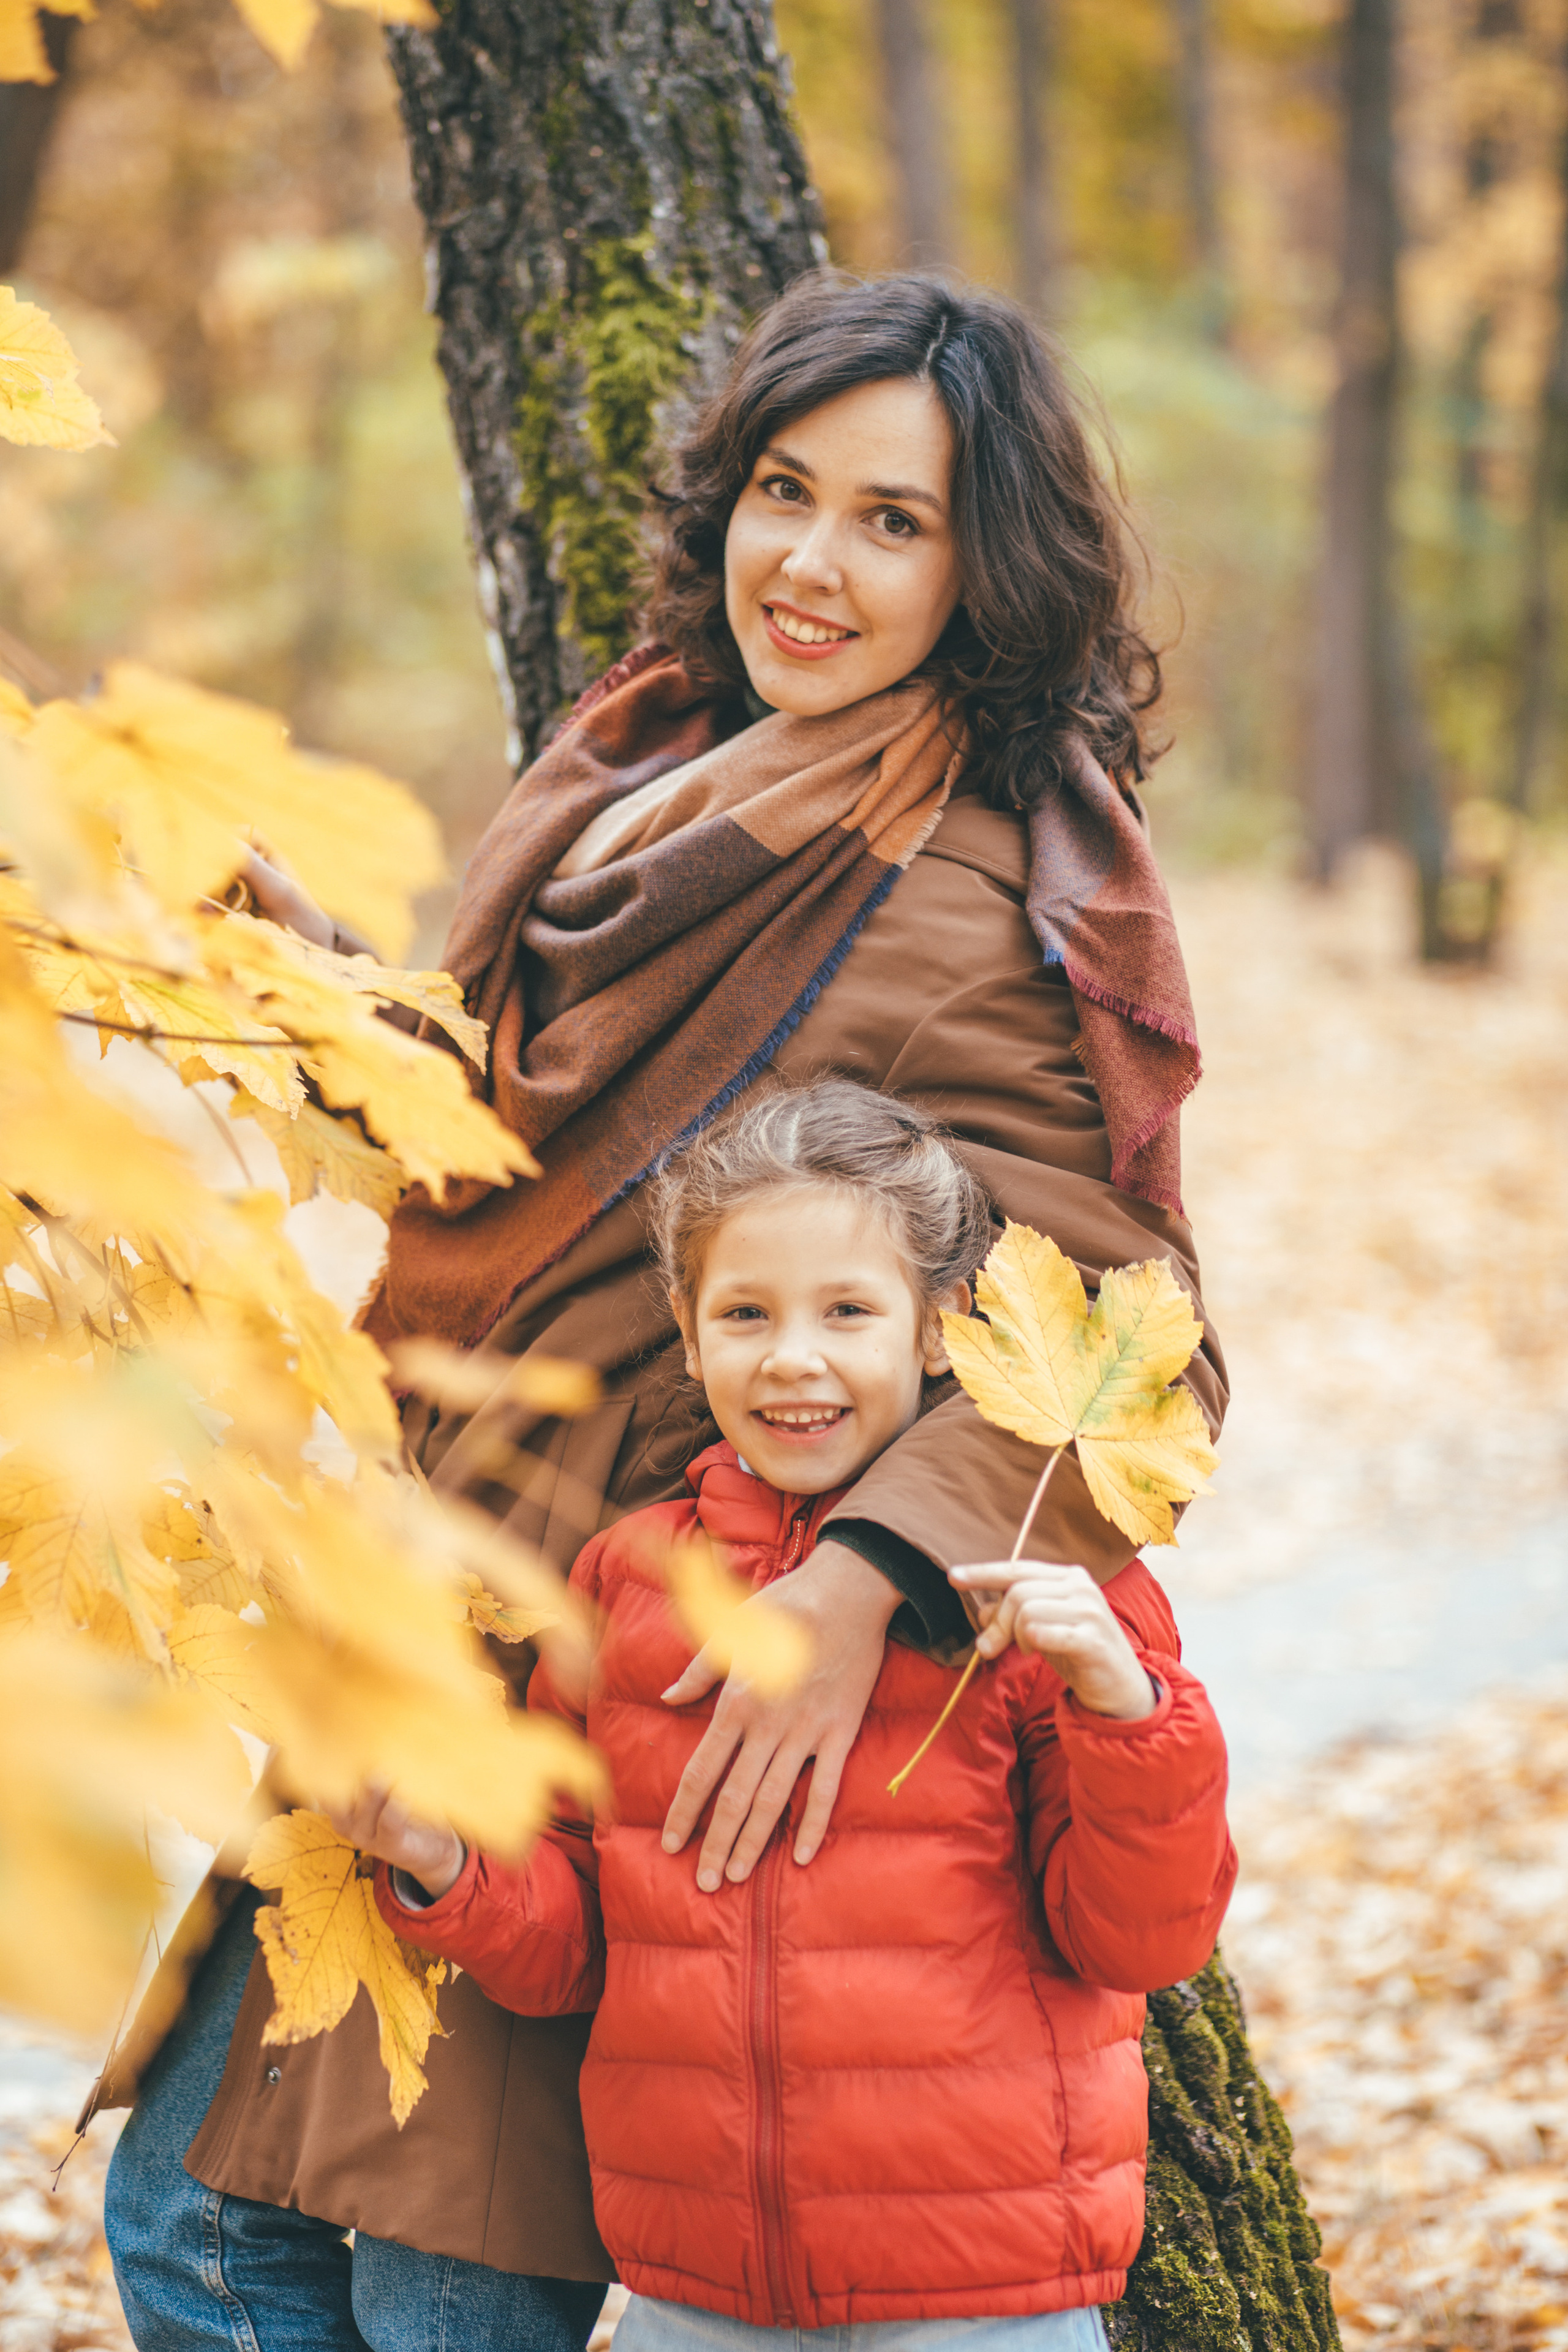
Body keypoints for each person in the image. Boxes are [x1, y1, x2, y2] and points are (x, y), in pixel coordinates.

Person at [101, 269, 1227, 2351]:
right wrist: (300, 972)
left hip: (630, 1661)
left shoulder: (958, 889)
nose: (813, 562)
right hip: (444, 1597)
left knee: (417, 2264)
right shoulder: (662, 769)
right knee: (201, 2235)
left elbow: (1140, 1340)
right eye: (786, 492)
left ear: (989, 571)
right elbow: (538, 1147)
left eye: (897, 521)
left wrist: (855, 1585)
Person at [343, 1080, 1237, 2347]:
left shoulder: (1047, 1594)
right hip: (694, 2293)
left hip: (983, 2294)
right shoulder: (624, 1586)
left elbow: (1139, 1944)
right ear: (687, 1332)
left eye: (848, 1312)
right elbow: (580, 1949)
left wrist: (1123, 1706)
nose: (792, 1357)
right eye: (745, 1313)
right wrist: (442, 1864)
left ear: (938, 1331)